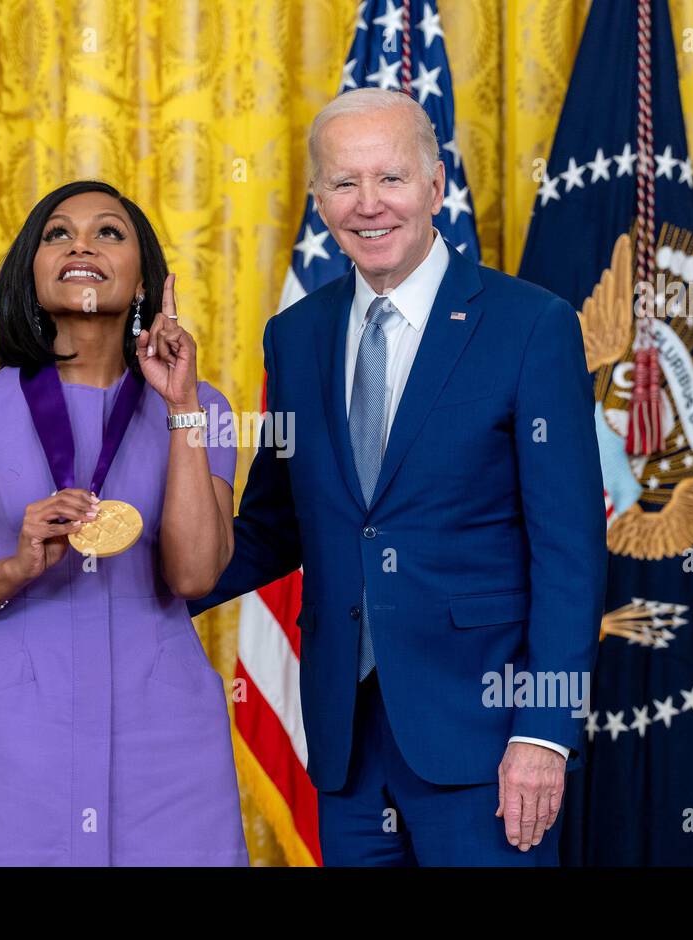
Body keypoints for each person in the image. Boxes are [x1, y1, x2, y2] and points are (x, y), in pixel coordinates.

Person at [189, 89, 607, 866]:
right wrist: (143, 578)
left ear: (435, 185)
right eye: (344, 184)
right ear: (318, 199)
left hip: (487, 736)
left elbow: (570, 551)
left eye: (391, 178)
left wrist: (544, 731)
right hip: (347, 741)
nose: (368, 205)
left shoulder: (530, 326)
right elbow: (279, 524)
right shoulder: (296, 337)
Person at [0, 180, 248, 866]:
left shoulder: (202, 404)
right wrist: (15, 568)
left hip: (167, 745)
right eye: (58, 234)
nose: (82, 244)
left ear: (145, 275)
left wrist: (180, 407)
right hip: (11, 745)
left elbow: (194, 572)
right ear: (31, 268)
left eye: (109, 233)